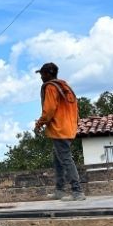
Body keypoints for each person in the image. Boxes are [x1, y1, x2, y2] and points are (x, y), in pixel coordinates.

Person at [34, 62, 85, 201]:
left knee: (66, 159)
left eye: (42, 74)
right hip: (68, 127)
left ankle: (77, 191)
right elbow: (75, 108)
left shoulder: (51, 87)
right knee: (57, 160)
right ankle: (60, 190)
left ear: (47, 74)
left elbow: (49, 110)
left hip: (59, 128)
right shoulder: (65, 86)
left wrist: (40, 123)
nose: (41, 77)